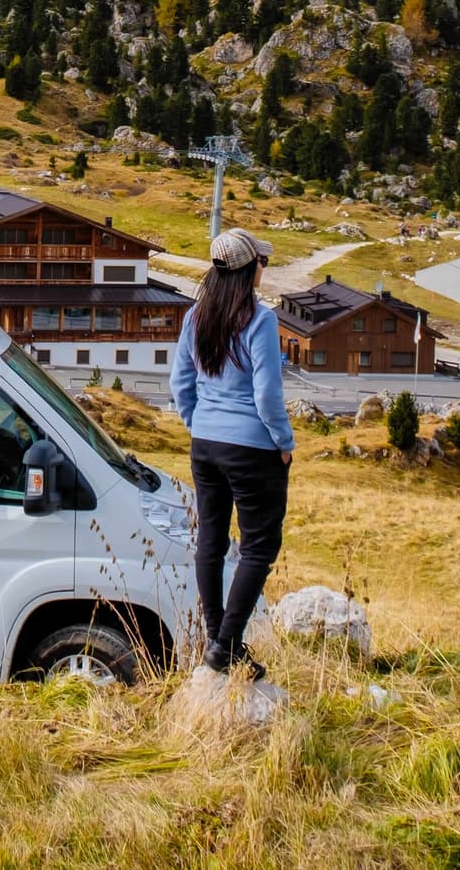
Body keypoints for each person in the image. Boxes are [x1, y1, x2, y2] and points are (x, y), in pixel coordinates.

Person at [168, 227, 293, 678]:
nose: (265, 268)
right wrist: (284, 443)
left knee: (211, 541)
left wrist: (198, 424)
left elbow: (179, 384)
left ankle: (218, 641)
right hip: (252, 447)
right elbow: (267, 394)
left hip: (205, 445)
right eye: (263, 261)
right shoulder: (260, 320)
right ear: (248, 268)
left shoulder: (195, 316)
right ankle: (225, 645)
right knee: (259, 545)